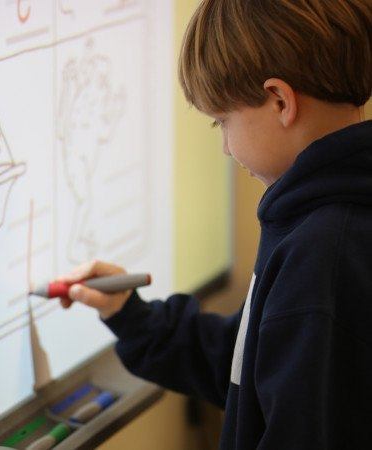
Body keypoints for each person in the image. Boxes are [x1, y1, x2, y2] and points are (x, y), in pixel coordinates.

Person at [56, 0, 372, 448]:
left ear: (280, 100)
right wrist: (132, 316)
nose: (225, 147)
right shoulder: (318, 221)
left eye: (222, 122)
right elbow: (247, 364)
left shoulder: (323, 255)